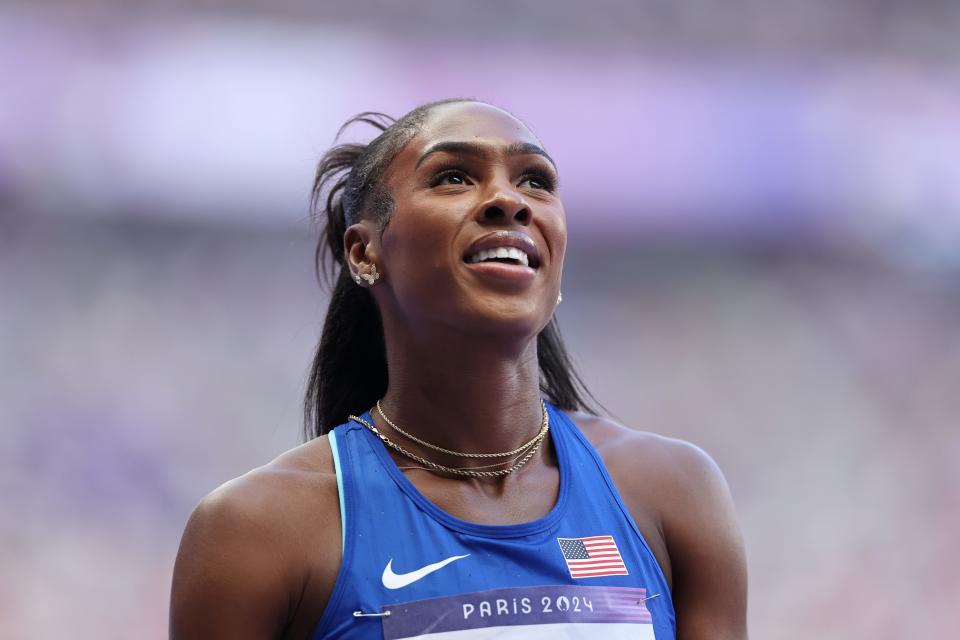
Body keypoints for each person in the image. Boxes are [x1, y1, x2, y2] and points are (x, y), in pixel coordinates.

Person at [170, 99, 748, 639]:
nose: (510, 201)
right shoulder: (259, 531)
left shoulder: (672, 490)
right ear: (364, 253)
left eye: (535, 181)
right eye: (453, 177)